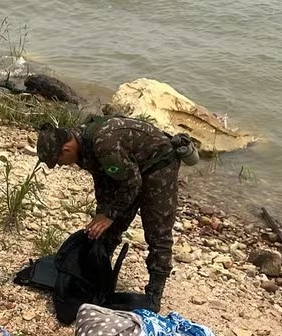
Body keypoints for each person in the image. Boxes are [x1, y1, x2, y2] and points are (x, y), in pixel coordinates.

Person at [36, 115, 199, 313]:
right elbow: (103, 179)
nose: (61, 165)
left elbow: (132, 183)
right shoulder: (81, 145)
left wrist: (109, 214)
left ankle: (154, 295)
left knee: (158, 233)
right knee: (106, 225)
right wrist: (103, 213)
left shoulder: (104, 144)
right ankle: (99, 272)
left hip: (158, 164)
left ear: (66, 149)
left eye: (59, 161)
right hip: (130, 169)